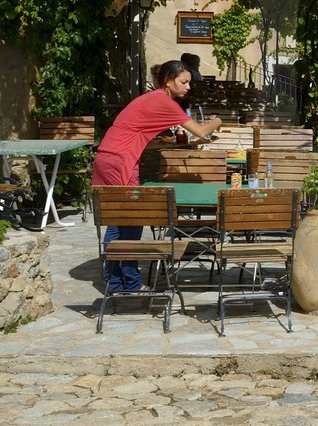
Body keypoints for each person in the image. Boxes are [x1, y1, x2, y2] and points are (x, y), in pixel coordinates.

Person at [92, 59, 223, 294]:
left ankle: (114, 282)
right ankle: (131, 284)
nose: (188, 87)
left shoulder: (149, 99)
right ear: (168, 81)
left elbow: (137, 136)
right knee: (132, 220)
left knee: (117, 220)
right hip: (121, 161)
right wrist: (218, 121)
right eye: (183, 82)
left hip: (107, 156)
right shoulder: (165, 102)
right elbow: (202, 132)